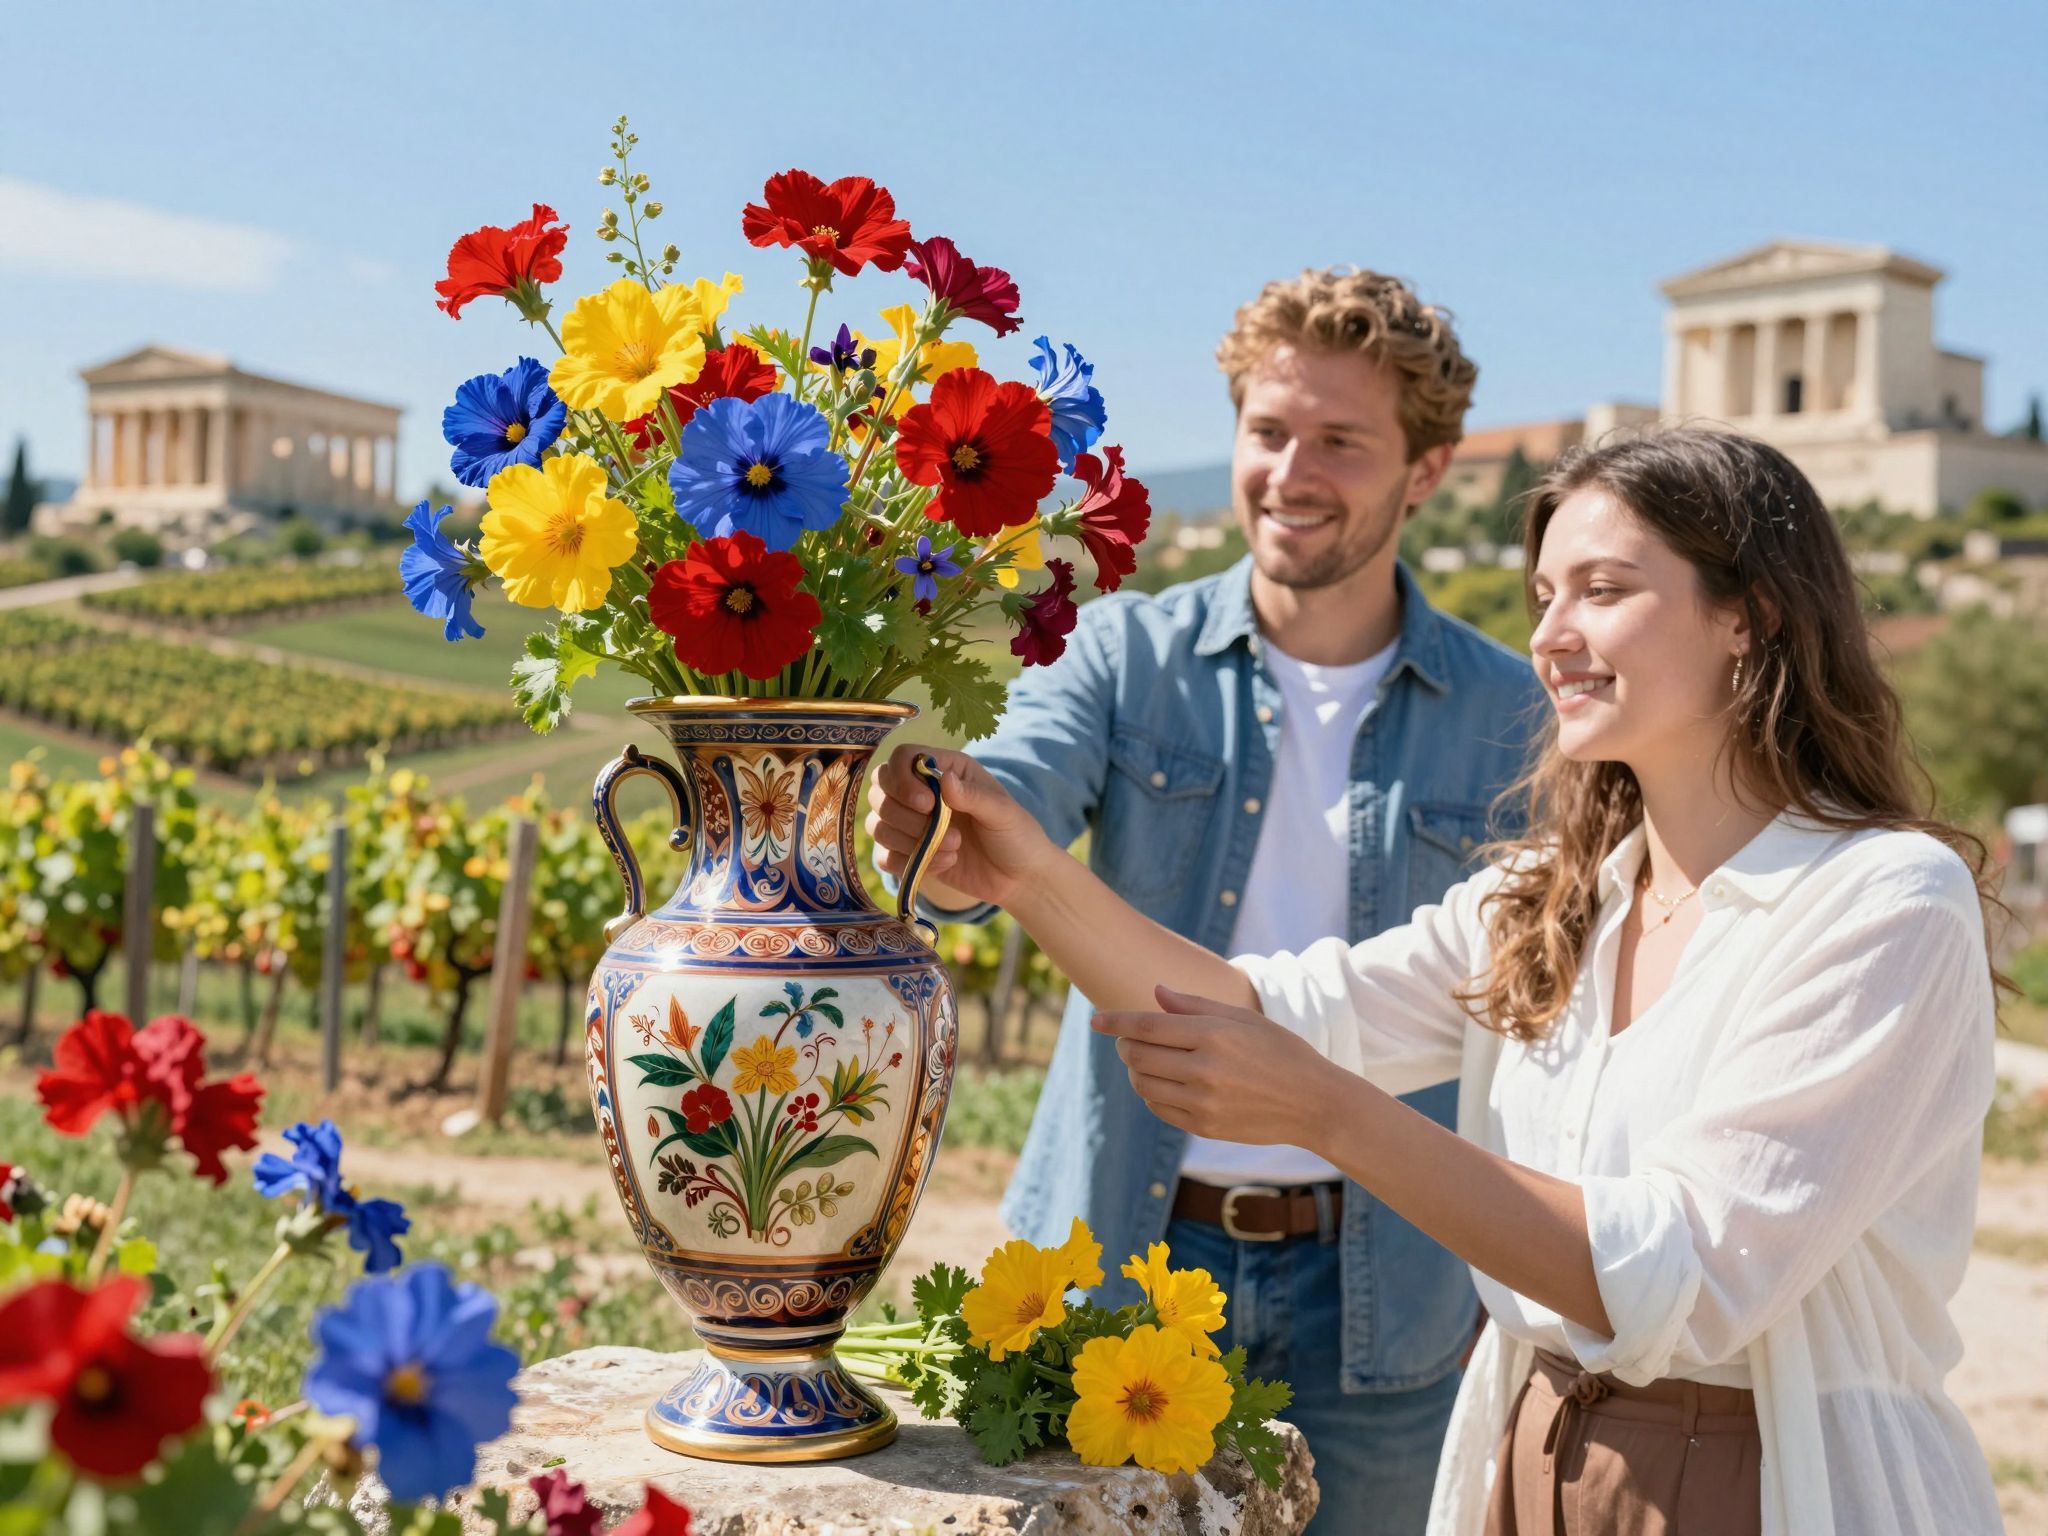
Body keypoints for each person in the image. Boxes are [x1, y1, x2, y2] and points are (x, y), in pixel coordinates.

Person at [869, 428, 2005, 1535]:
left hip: (1774, 1482)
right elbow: (1254, 1007)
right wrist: (1022, 872)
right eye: (1543, 595)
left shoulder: (1880, 902)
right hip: (1529, 1450)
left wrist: (1325, 1113)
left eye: (1601, 589)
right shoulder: (1545, 896)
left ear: (1747, 617)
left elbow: (1676, 1274)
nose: (1552, 634)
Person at [892, 266, 1544, 1532]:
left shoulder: (1520, 716)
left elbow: (1547, 1005)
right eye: (1266, 432)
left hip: (1395, 1298)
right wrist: (941, 819)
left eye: (1341, 441)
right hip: (1118, 1270)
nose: (1289, 471)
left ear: (1425, 470)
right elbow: (1012, 792)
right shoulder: (1118, 652)